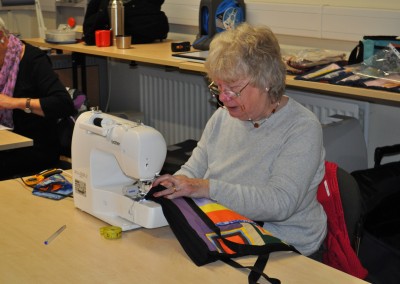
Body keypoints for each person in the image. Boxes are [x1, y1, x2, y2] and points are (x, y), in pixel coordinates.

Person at [152, 23, 327, 257]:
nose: (223, 98)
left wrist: (206, 188)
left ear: (266, 80)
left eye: (233, 88)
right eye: (218, 86)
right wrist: (176, 183)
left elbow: (280, 203)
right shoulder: (222, 118)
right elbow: (194, 169)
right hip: (227, 229)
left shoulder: (302, 128)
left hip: (284, 244)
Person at [0, 18, 75, 180]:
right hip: (8, 144)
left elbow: (64, 104)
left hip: (34, 148)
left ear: (1, 36)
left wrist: (14, 102)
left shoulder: (33, 60)